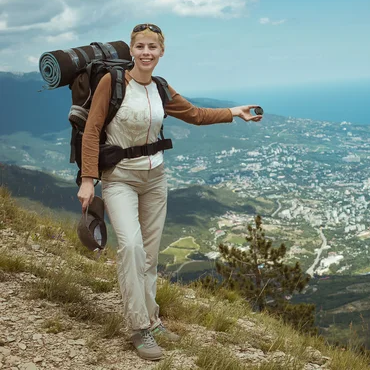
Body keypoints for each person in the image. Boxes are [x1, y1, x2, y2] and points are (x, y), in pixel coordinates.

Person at [76, 23, 262, 361]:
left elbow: (194, 114)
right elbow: (91, 132)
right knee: (130, 248)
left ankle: (152, 318)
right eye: (141, 46)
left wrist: (234, 113)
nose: (146, 52)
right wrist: (88, 179)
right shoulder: (113, 83)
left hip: (156, 179)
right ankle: (138, 328)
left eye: (153, 47)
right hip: (119, 178)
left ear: (162, 52)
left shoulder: (160, 87)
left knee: (149, 254)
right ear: (131, 50)